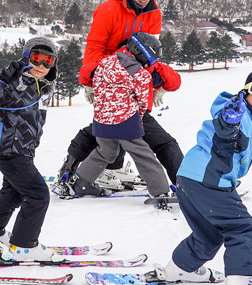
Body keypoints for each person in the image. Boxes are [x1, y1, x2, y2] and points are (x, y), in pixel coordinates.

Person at [150, 68, 252, 285]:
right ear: (246, 90)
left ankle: (179, 269)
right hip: (209, 181)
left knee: (208, 235)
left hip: (190, 178)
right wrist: (229, 121)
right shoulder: (237, 112)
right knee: (241, 228)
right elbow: (226, 128)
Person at [0, 36, 61, 262]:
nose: (42, 66)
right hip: (10, 150)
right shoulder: (13, 81)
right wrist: (2, 78)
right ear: (26, 57)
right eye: (37, 59)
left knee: (13, 192)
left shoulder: (44, 85)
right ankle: (24, 246)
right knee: (38, 195)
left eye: (48, 61)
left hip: (22, 149)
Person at [67, 32, 181, 199]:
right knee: (143, 155)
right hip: (126, 119)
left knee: (105, 151)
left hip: (101, 119)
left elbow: (93, 82)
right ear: (143, 52)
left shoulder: (104, 63)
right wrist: (136, 119)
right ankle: (160, 192)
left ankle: (81, 183)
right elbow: (142, 103)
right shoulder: (140, 74)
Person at [79, 0, 162, 88]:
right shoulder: (108, 10)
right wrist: (91, 76)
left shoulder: (154, 14)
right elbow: (95, 45)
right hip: (107, 70)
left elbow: (151, 51)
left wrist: (154, 83)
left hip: (136, 73)